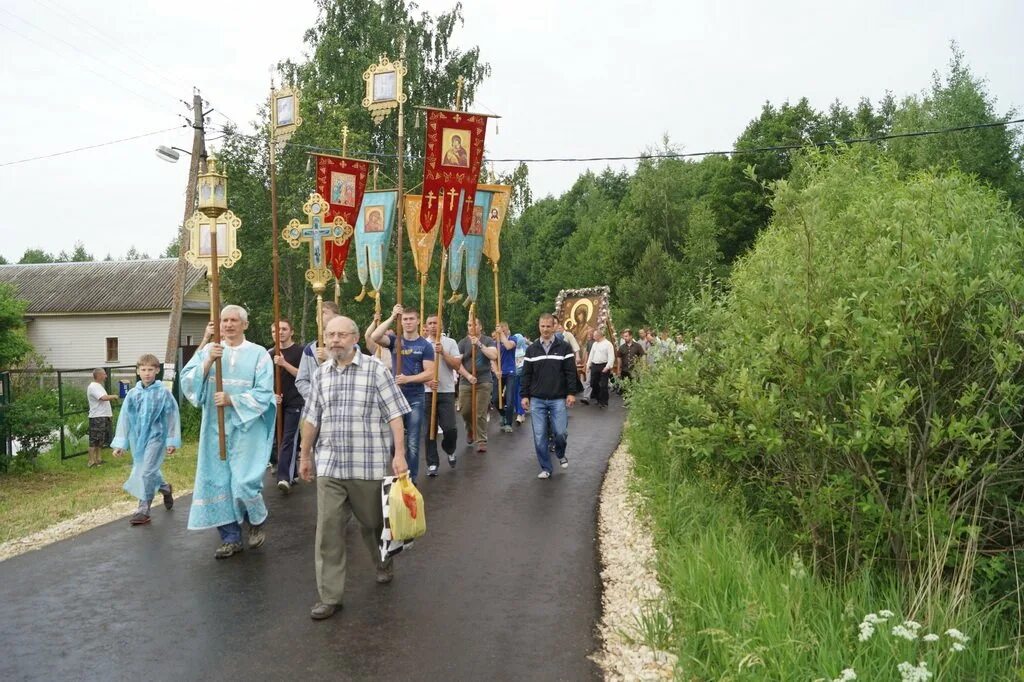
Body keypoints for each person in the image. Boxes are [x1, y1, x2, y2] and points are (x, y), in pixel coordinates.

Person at [299, 316, 411, 621]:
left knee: (373, 524)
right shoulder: (321, 375)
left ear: (355, 338)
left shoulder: (376, 370)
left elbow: (395, 415)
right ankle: (330, 596)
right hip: (331, 466)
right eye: (329, 335)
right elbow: (311, 419)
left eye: (341, 335)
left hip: (369, 465)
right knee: (328, 531)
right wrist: (305, 455)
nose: (334, 340)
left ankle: (383, 561)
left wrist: (399, 454)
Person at [181, 305, 276, 560]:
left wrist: (233, 399)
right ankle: (230, 538)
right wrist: (209, 360)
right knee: (218, 480)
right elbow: (188, 384)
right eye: (224, 320)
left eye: (234, 320)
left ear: (244, 324)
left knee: (244, 481)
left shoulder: (258, 355)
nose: (228, 325)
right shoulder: (209, 352)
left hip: (248, 426)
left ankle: (256, 520)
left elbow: (265, 393)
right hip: (214, 426)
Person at [111, 354, 181, 526]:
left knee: (146, 471)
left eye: (151, 370)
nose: (147, 373)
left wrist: (171, 441)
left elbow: (172, 416)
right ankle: (165, 488)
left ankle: (143, 509)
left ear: (157, 371)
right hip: (139, 439)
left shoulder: (163, 393)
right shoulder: (133, 394)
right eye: (143, 370)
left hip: (157, 437)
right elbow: (125, 418)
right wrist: (121, 444)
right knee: (147, 469)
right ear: (138, 371)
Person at [368, 304, 435, 481]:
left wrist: (408, 379)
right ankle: (400, 465)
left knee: (412, 442)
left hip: (415, 398)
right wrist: (391, 316)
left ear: (418, 321)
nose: (408, 322)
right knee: (392, 443)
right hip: (395, 397)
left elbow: (429, 372)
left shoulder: (425, 346)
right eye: (404, 319)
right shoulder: (395, 341)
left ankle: (410, 479)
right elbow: (375, 336)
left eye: (411, 318)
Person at [521, 313, 577, 479]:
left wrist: (571, 393)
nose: (545, 329)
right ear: (539, 327)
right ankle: (546, 467)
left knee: (560, 432)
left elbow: (570, 372)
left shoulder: (564, 347)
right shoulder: (531, 350)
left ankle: (560, 453)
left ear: (554, 327)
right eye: (542, 326)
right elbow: (526, 375)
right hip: (537, 399)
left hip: (557, 398)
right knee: (539, 436)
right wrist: (524, 396)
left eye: (548, 326)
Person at [268, 319, 305, 494]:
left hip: (294, 401)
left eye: (283, 329)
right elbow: (263, 380)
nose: (279, 333)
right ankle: (292, 471)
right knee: (277, 439)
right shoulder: (269, 354)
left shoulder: (301, 352)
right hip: (276, 402)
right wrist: (270, 395)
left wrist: (284, 364)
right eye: (275, 330)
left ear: (291, 332)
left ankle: (284, 477)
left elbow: (303, 375)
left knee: (288, 439)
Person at [423, 314, 461, 475]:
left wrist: (443, 352)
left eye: (435, 323)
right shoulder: (422, 344)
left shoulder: (450, 343)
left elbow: (457, 365)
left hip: (446, 391)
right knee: (428, 430)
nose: (433, 326)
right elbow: (416, 369)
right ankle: (432, 463)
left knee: (449, 428)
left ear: (441, 325)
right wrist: (427, 382)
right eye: (430, 323)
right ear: (426, 326)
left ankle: (449, 449)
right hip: (427, 392)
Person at [456, 318, 498, 452]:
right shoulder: (462, 343)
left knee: (480, 412)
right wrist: (468, 375)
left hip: (484, 380)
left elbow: (493, 355)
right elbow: (457, 363)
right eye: (468, 325)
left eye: (474, 324)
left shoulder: (487, 340)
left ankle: (481, 440)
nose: (471, 327)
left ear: (480, 326)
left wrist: (479, 344)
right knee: (465, 410)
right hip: (466, 380)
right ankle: (470, 429)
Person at [294, 301, 340, 402]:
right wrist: (314, 397)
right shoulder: (310, 349)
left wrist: (330, 358)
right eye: (317, 313)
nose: (319, 315)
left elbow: (355, 373)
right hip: (316, 408)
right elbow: (301, 380)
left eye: (324, 312)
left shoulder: (348, 346)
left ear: (336, 317)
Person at [86, 368, 117, 467]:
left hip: (103, 416)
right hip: (97, 417)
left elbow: (104, 403)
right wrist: (115, 396)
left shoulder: (99, 386)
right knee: (94, 440)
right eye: (104, 374)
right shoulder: (93, 386)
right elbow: (103, 398)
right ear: (98, 375)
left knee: (100, 440)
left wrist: (109, 415)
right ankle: (91, 461)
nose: (106, 376)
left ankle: (98, 459)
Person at [494, 322, 520, 433]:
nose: (501, 331)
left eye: (503, 329)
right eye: (500, 329)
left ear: (507, 329)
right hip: (499, 373)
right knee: (495, 398)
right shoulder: (495, 343)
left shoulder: (513, 339)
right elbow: (493, 358)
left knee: (509, 400)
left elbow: (509, 346)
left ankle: (508, 423)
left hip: (510, 372)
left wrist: (502, 335)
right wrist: (495, 370)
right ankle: (503, 414)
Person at [587, 328, 616, 408]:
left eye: (594, 336)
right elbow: (591, 355)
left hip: (604, 365)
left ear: (599, 336)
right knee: (593, 383)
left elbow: (611, 357)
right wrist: (588, 365)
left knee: (603, 385)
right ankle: (598, 398)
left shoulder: (608, 344)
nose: (593, 337)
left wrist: (607, 367)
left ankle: (604, 401)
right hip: (595, 365)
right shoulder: (594, 344)